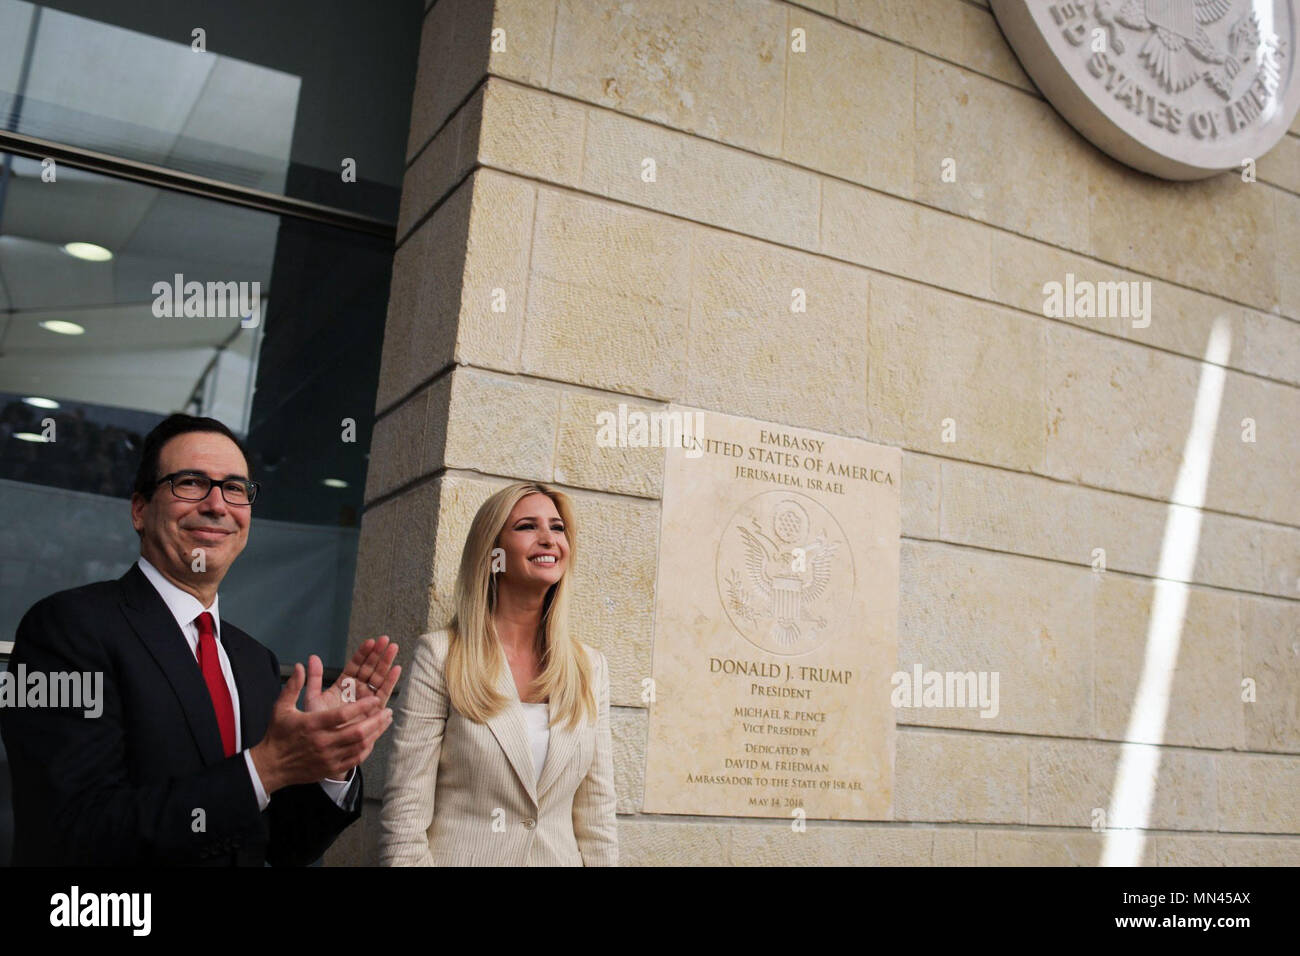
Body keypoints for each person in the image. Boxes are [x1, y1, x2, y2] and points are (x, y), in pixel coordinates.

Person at [0, 413, 400, 865]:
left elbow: (285, 846)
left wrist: (329, 759)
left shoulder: (255, 662)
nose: (217, 505)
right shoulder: (65, 629)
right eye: (190, 482)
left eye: (234, 488)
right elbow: (72, 830)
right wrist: (266, 766)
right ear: (139, 510)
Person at [379, 481, 617, 866]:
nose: (548, 539)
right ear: (493, 554)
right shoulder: (440, 656)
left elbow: (597, 813)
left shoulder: (589, 668)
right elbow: (405, 811)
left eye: (557, 528)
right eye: (527, 527)